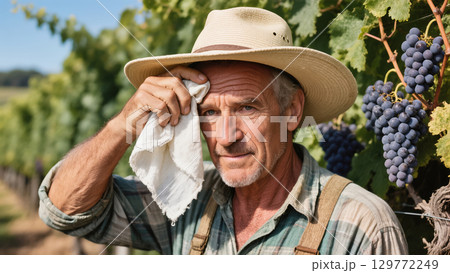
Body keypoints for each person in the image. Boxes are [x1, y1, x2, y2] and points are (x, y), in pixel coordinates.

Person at [38, 7, 408, 254]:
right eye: (209, 112)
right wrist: (123, 125)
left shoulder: (362, 224)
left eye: (248, 107)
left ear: (292, 111)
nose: (226, 136)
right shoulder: (184, 200)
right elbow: (64, 209)